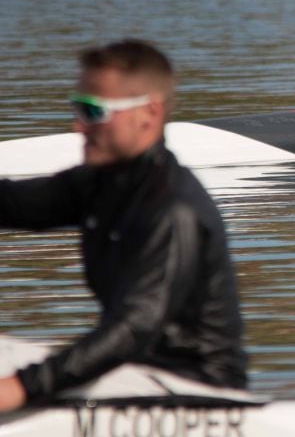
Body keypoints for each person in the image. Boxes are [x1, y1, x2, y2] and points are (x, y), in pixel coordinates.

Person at [0, 39, 247, 413]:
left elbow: (135, 327)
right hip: (134, 372)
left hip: (197, 389)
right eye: (76, 108)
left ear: (148, 114)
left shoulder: (173, 208)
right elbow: (12, 204)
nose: (78, 125)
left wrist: (23, 387)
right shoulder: (100, 185)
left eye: (92, 111)